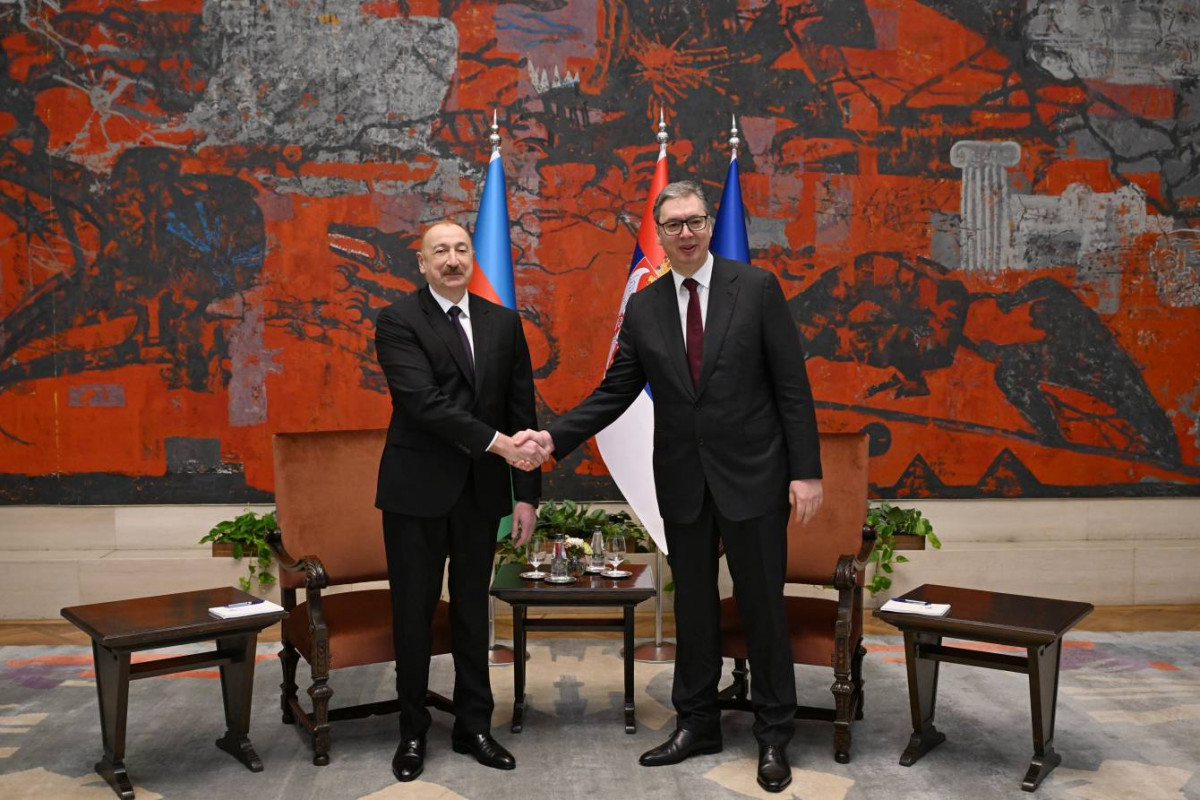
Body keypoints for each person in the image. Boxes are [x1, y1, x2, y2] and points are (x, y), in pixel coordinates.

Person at [519, 181, 822, 793]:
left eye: (695, 221)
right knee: (694, 609)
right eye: (673, 224)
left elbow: (792, 386)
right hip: (683, 480)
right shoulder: (645, 306)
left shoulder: (756, 288)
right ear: (659, 234)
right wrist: (553, 438)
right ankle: (697, 723)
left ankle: (773, 734)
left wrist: (806, 472)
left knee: (762, 608)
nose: (686, 233)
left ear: (710, 225)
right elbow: (616, 390)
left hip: (754, 476)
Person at [374, 220, 543, 783]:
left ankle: (475, 727)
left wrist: (526, 496)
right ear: (422, 263)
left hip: (481, 493)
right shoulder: (398, 320)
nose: (452, 259)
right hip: (416, 493)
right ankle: (412, 732)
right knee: (414, 615)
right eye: (440, 251)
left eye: (461, 249)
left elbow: (522, 409)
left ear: (473, 259)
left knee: (473, 614)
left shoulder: (504, 322)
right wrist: (499, 444)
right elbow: (422, 402)